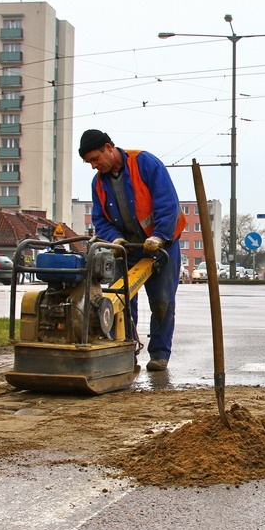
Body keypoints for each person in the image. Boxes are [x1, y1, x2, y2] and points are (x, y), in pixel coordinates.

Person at [79, 129, 186, 372]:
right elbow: (100, 218)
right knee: (121, 301)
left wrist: (160, 236)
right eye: (89, 163)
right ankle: (126, 350)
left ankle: (159, 354)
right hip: (127, 249)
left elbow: (167, 202)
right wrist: (114, 239)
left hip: (162, 245)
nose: (94, 166)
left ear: (109, 147)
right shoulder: (99, 183)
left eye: (95, 159)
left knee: (161, 301)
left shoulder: (145, 163)